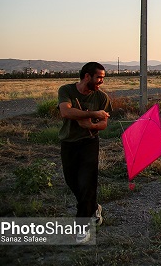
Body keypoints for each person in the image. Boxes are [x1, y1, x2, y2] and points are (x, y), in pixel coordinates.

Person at [58, 62, 112, 243]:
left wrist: (92, 125)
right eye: (99, 78)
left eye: (103, 78)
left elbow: (104, 124)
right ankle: (93, 207)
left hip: (89, 143)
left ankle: (82, 227)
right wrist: (94, 113)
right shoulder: (66, 91)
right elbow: (66, 112)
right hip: (68, 143)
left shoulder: (102, 97)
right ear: (87, 76)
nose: (101, 81)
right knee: (72, 181)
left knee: (87, 183)